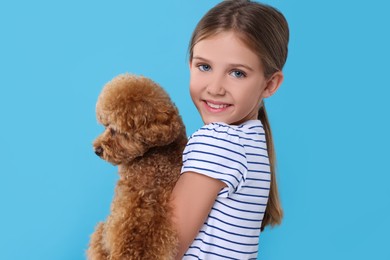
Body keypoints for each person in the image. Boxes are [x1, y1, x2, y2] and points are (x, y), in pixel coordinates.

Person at [171, 0, 289, 259]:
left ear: (270, 84)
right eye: (204, 66)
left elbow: (161, 249)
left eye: (237, 73)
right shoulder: (251, 141)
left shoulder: (217, 142)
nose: (215, 87)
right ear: (190, 63)